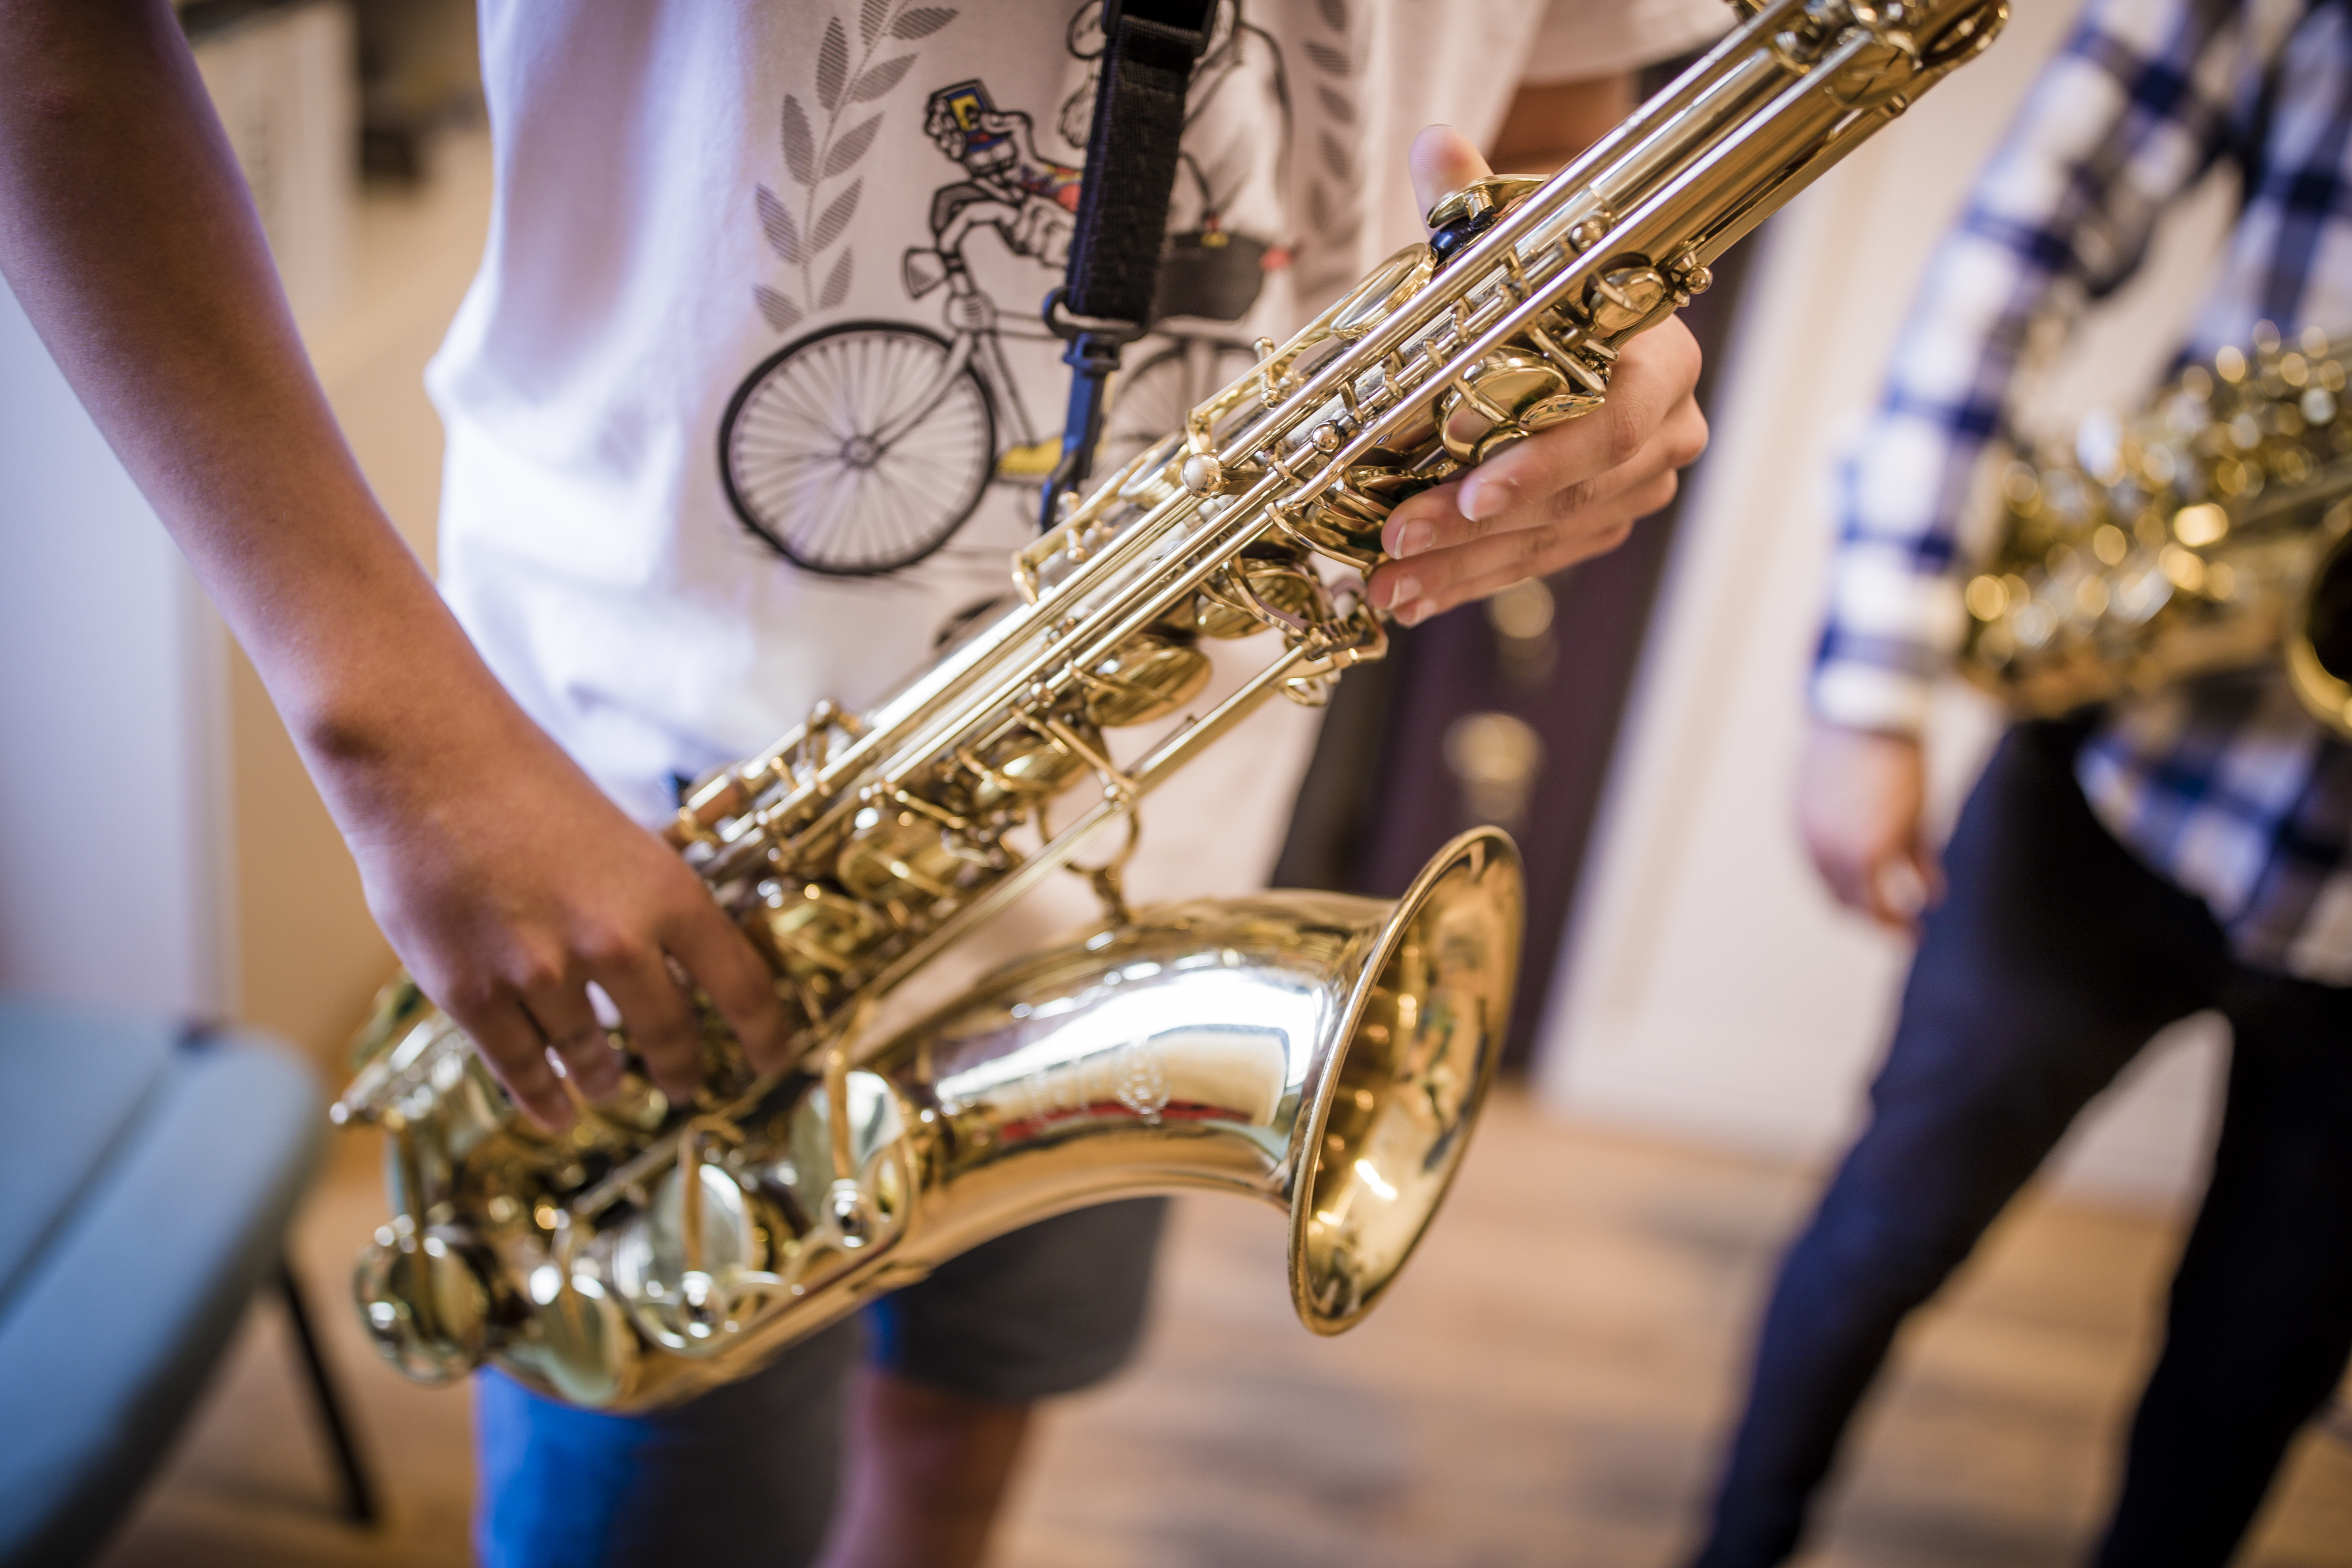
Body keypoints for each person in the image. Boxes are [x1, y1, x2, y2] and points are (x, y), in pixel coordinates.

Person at [2, 2, 1713, 1565]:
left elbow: (1534, 131)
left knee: (964, 1443)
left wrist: (1583, 368)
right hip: (633, 846)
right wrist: (396, 735)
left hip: (1154, 838)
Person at [1687, 1, 2352, 1564]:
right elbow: (2021, 243)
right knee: (1889, 1227)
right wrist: (1872, 690)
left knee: (2256, 1369)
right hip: (2130, 769)